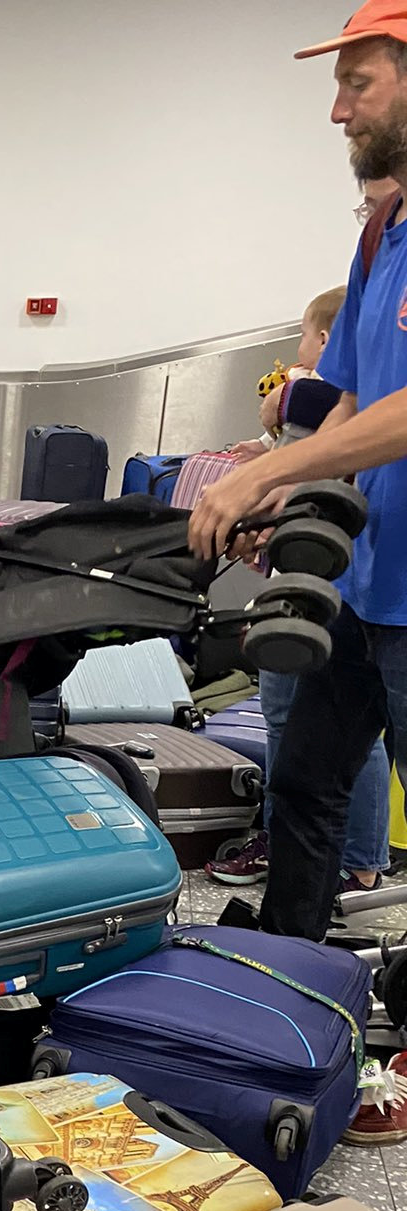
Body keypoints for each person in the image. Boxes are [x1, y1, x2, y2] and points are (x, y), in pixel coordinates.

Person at [190, 2, 407, 1142]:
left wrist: (281, 475)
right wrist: (285, 496)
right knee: (308, 783)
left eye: (360, 83)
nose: (337, 108)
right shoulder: (379, 237)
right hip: (367, 585)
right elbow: (360, 408)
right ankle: (288, 983)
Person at [206, 280, 393, 889]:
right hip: (355, 584)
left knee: (344, 742)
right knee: (310, 759)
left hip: (384, 592)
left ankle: (360, 864)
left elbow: (314, 403)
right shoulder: (378, 249)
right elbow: (340, 414)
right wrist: (282, 483)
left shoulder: (306, 385)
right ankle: (294, 931)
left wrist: (276, 459)